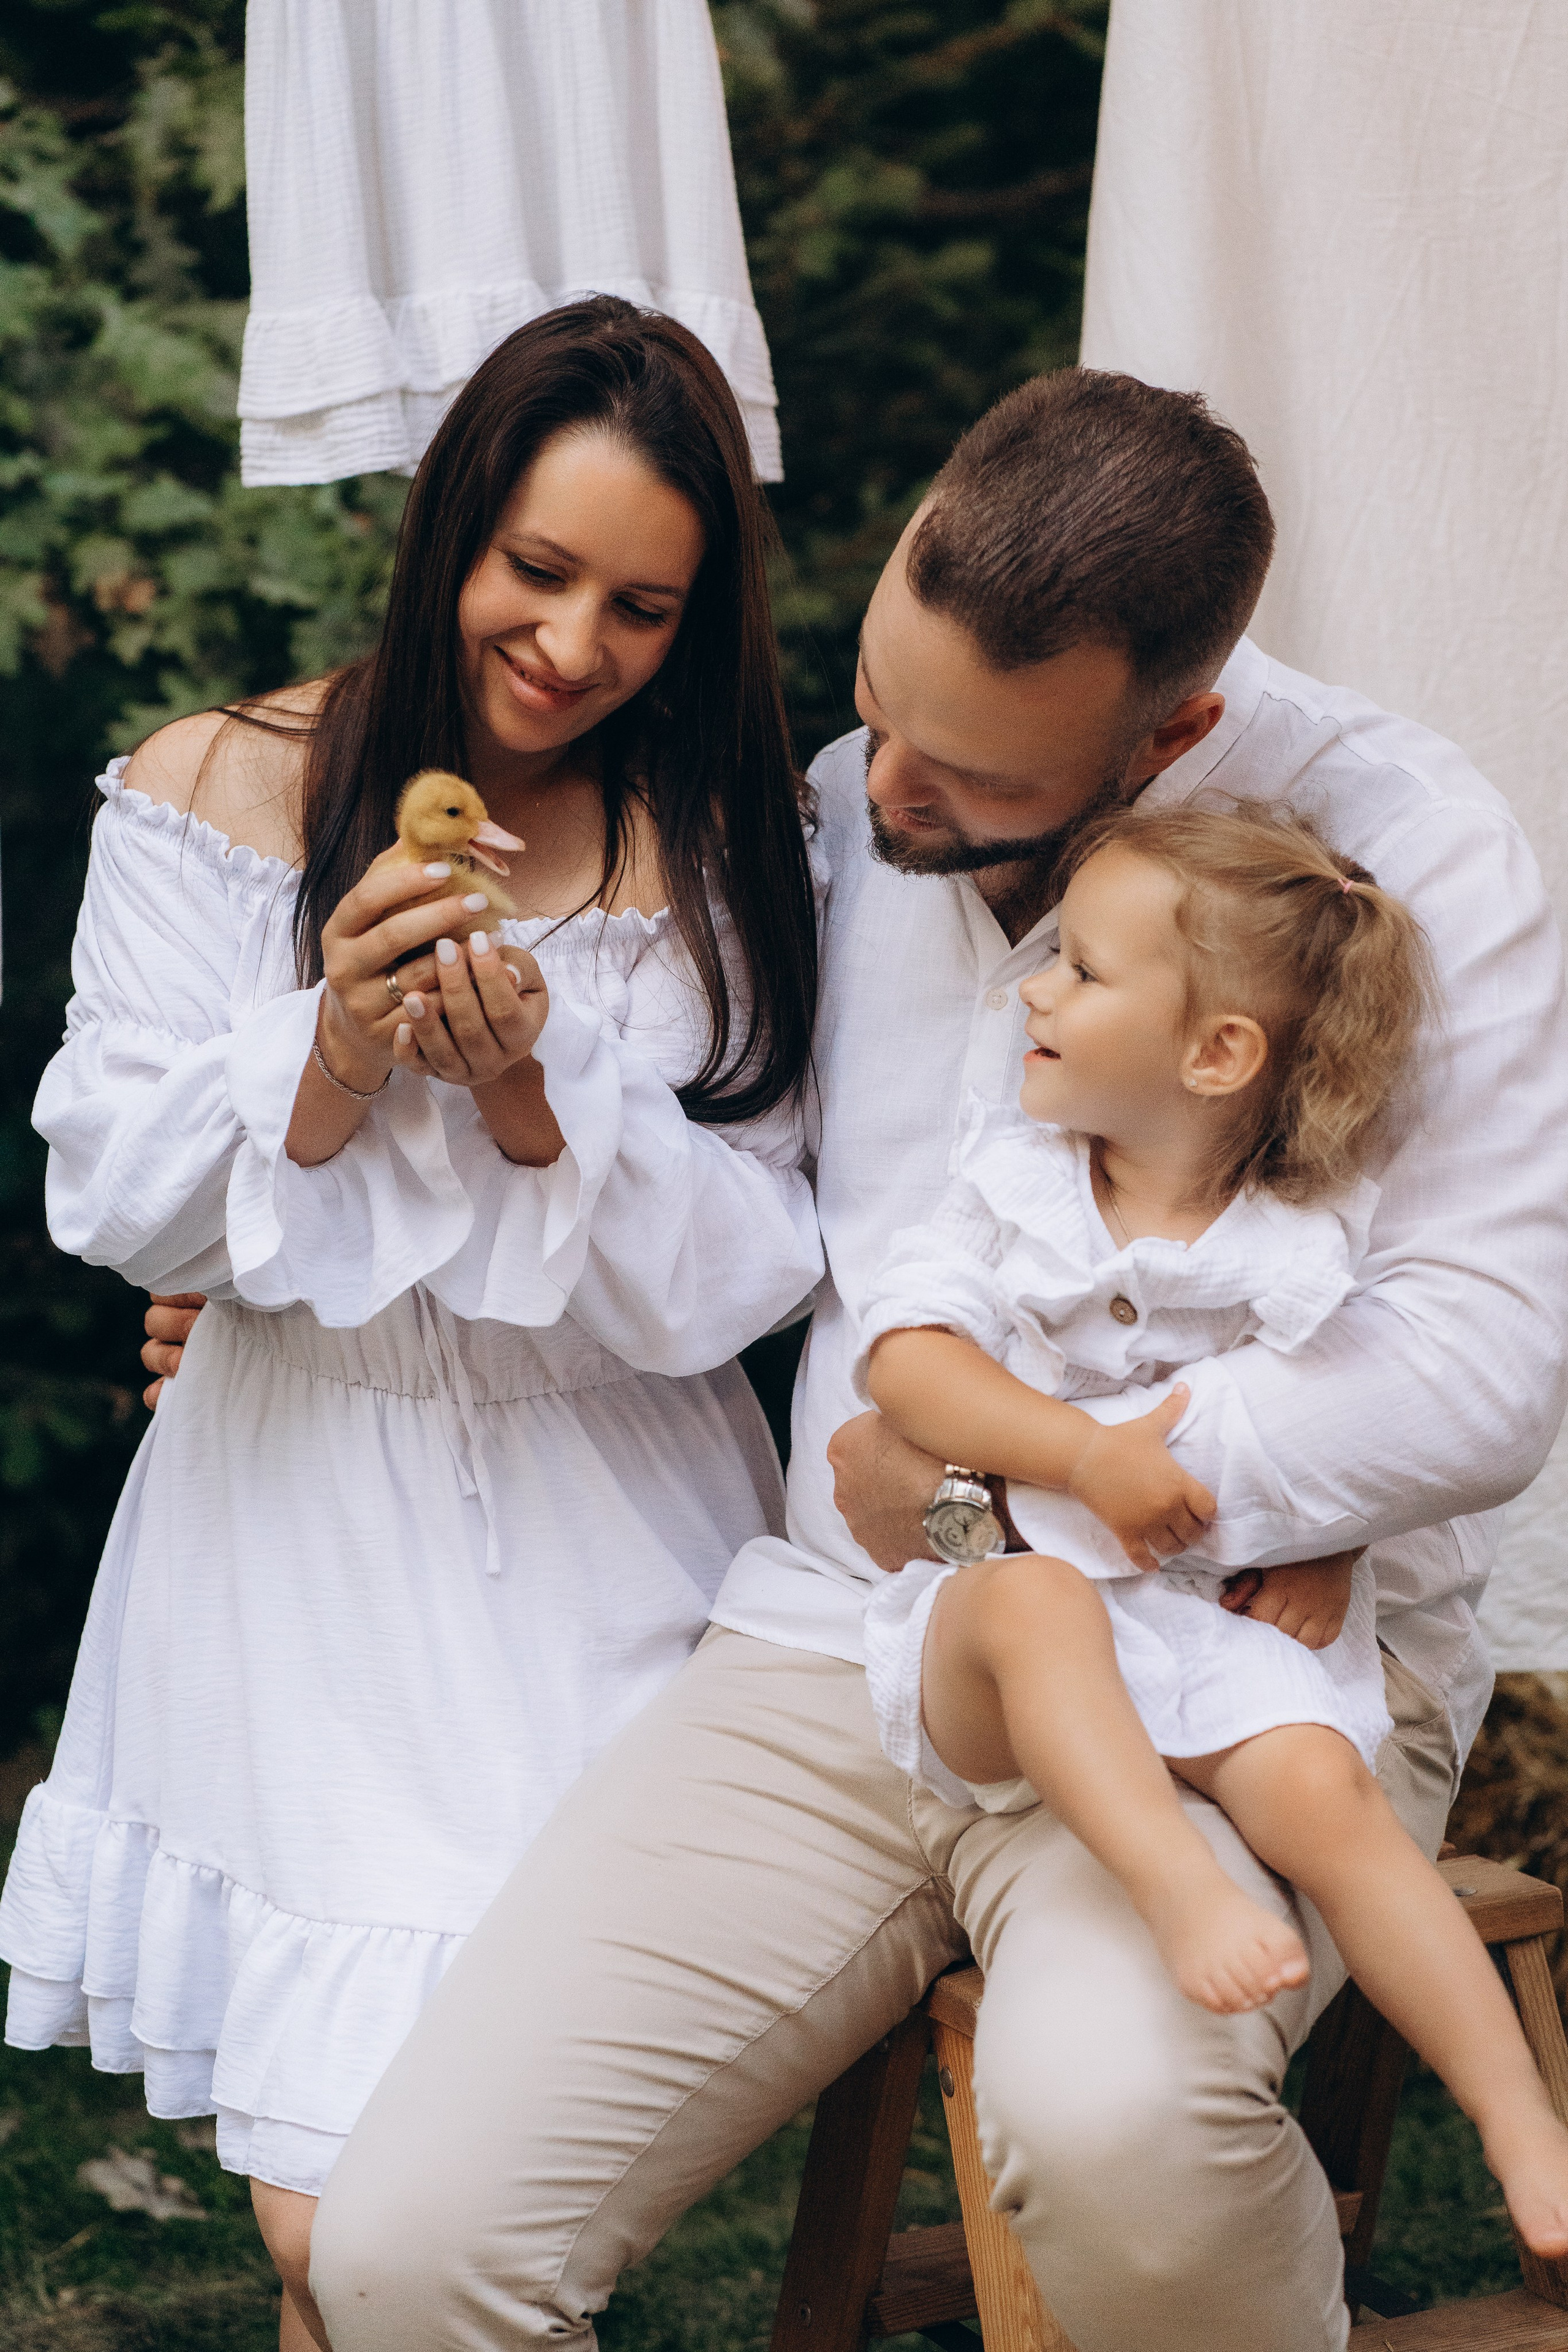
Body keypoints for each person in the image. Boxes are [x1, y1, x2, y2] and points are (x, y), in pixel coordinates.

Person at [162, 368, 1567, 2352]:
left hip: (1229, 1682)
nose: (887, 793)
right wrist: (284, 1277)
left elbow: (1485, 1371)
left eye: (974, 779)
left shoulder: (1411, 854)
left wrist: (1068, 1488)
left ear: (1173, 731)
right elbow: (705, 1198)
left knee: (1126, 2144)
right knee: (412, 2252)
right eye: (885, 707)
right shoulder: (839, 804)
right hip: (839, 1645)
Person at [0, 298, 824, 2352]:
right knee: (328, 2224)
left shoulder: (736, 851)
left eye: (643, 605)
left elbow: (762, 1259)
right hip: (298, 1531)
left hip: (600, 1530)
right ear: (451, 521)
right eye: (536, 572)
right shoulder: (214, 792)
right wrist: (338, 1051)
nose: (572, 645)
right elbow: (105, 1193)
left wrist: (545, 1104)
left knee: (471, 2204)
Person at [857, 801, 1568, 2253]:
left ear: (1215, 1056)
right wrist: (1074, 1452)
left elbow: (1370, 1424)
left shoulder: (1300, 1240)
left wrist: (1334, 1536)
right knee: (1036, 1602)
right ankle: (1177, 1888)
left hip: (1187, 1632)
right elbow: (905, 1365)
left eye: (1084, 971)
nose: (1036, 991)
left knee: (1325, 1794)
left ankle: (1516, 2121)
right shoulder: (1008, 1198)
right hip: (993, 1644)